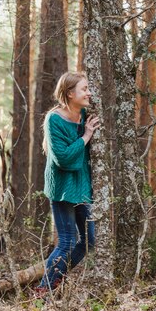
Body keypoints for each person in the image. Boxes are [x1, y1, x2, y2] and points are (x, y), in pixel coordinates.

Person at [35, 72, 100, 295]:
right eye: (84, 89)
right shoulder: (54, 119)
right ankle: (44, 289)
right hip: (63, 187)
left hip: (81, 186)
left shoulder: (85, 114)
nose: (89, 93)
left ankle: (55, 277)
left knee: (89, 241)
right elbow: (62, 157)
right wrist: (86, 136)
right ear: (70, 93)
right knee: (66, 242)